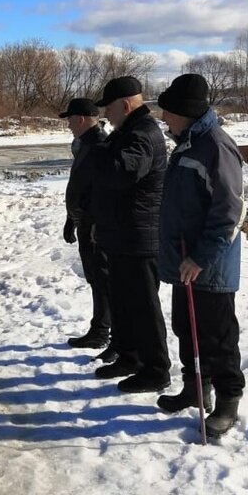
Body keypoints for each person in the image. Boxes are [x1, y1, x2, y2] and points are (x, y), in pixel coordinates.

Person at [155, 73, 246, 437]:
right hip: (185, 259)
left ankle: (227, 402)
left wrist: (200, 257)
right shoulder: (188, 143)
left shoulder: (216, 146)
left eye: (168, 113)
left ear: (186, 112)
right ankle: (195, 390)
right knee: (186, 328)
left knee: (218, 337)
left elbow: (230, 211)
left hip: (209, 266)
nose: (164, 119)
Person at [90, 76, 171, 393]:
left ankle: (156, 369)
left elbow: (121, 173)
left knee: (144, 306)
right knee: (124, 301)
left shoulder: (142, 134)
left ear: (124, 106)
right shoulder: (128, 131)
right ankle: (130, 356)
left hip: (140, 237)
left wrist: (96, 150)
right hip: (124, 234)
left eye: (108, 109)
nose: (105, 115)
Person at [60, 98, 115, 361]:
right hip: (85, 222)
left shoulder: (98, 145)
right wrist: (71, 218)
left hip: (96, 225)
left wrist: (92, 223)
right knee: (95, 277)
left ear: (81, 119)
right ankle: (100, 329)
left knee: (102, 278)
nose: (69, 125)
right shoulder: (86, 144)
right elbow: (81, 186)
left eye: (70, 120)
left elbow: (100, 191)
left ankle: (105, 331)